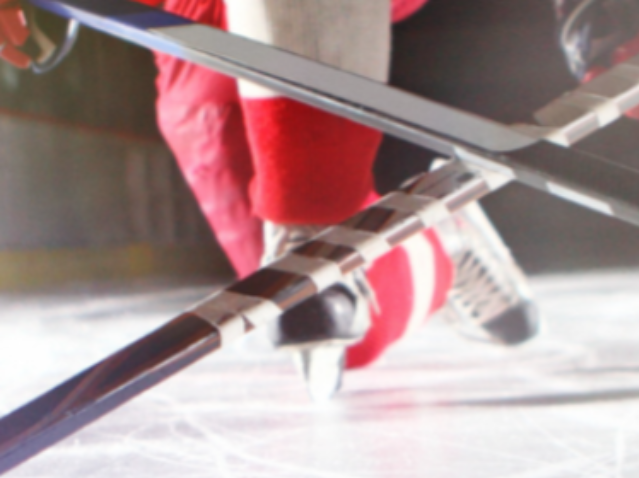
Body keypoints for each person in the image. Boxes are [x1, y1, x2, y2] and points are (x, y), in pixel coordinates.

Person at [0, 0, 540, 398]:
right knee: (337, 333)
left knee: (312, 280)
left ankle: (315, 225)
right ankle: (440, 241)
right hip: (182, 24)